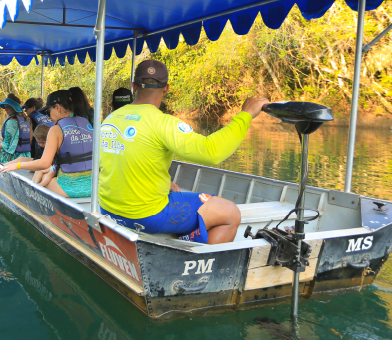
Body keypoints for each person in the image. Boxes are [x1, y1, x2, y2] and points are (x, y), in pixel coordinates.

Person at [99, 60, 269, 244]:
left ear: (133, 87)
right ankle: (199, 265)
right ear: (166, 89)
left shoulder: (110, 118)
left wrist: (165, 184)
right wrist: (245, 115)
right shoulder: (163, 123)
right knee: (230, 213)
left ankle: (188, 238)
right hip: (146, 216)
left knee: (176, 192)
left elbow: (118, 162)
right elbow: (212, 152)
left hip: (108, 209)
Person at [0, 90, 93, 199]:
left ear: (57, 107)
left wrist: (17, 165)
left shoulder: (56, 130)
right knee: (49, 174)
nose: (48, 117)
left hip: (69, 189)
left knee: (43, 176)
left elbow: (44, 163)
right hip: (93, 186)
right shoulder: (88, 125)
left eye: (49, 111)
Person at [0, 96, 32, 164]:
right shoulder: (25, 119)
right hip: (26, 155)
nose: (5, 109)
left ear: (13, 107)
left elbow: (7, 145)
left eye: (7, 107)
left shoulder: (11, 122)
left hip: (13, 158)